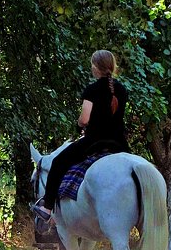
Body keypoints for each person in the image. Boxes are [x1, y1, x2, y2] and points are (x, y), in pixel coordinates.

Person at [33, 49, 130, 223]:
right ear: (112, 67)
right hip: (120, 143)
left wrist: (79, 123)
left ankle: (47, 208)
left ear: (95, 67)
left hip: (95, 142)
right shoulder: (122, 90)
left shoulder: (91, 90)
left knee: (58, 163)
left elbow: (85, 118)